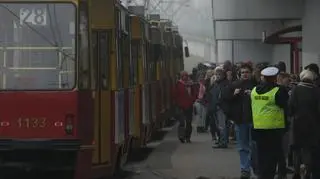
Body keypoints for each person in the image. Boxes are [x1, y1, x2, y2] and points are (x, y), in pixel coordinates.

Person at [250, 66, 289, 179]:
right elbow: (286, 106)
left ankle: (262, 175)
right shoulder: (279, 90)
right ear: (275, 78)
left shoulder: (254, 90)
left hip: (258, 128)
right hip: (274, 129)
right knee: (273, 157)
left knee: (261, 156)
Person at [288, 70, 320, 179]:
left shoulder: (296, 90)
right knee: (308, 149)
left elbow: (290, 107)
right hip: (312, 125)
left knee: (296, 149)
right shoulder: (316, 91)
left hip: (297, 124)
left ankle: (296, 172)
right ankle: (307, 170)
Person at [227, 63, 256, 178]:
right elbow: (226, 100)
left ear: (251, 73)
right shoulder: (234, 85)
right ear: (240, 74)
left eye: (247, 72)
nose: (245, 74)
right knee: (242, 146)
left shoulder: (256, 86)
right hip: (240, 120)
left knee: (254, 146)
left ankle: (254, 167)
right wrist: (233, 95)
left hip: (254, 120)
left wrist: (253, 95)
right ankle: (245, 169)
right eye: (243, 72)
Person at [207, 67, 230, 148]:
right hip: (217, 107)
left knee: (222, 126)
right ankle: (221, 140)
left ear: (223, 75)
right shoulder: (217, 83)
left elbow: (221, 96)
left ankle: (223, 142)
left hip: (221, 107)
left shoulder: (224, 84)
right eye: (216, 74)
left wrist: (217, 104)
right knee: (220, 125)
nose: (217, 76)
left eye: (219, 74)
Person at [175, 71, 197, 143]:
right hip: (180, 106)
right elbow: (175, 94)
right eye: (183, 76)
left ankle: (187, 137)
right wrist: (177, 103)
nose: (185, 77)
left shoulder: (191, 84)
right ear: (181, 77)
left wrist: (192, 100)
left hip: (189, 105)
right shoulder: (178, 84)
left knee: (188, 122)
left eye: (186, 76)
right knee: (181, 122)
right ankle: (181, 136)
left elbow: (194, 93)